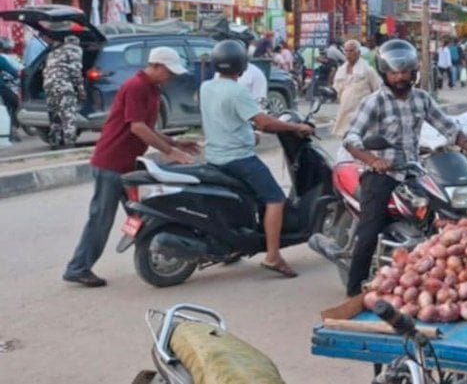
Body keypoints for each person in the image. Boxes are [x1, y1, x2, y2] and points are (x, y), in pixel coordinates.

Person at [342, 39, 467, 296]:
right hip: (381, 175)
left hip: (413, 171)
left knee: (440, 214)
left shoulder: (421, 99)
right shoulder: (374, 102)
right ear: (384, 73)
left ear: (414, 72)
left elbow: (446, 125)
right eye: (394, 72)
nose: (400, 77)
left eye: (405, 71)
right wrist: (374, 161)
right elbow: (351, 139)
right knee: (369, 231)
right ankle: (354, 290)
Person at [62, 48, 199, 287]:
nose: (171, 78)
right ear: (155, 66)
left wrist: (175, 142)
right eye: (168, 72)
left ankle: (157, 258)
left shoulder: (151, 89)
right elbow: (138, 127)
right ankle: (78, 267)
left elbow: (147, 127)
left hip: (127, 163)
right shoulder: (136, 86)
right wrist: (170, 152)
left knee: (144, 213)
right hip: (111, 162)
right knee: (102, 218)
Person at [201, 40, 315, 278]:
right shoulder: (237, 90)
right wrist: (295, 127)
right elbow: (265, 122)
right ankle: (273, 256)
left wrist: (250, 133)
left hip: (214, 156)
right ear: (241, 66)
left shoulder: (207, 87)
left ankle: (236, 246)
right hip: (238, 158)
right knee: (275, 199)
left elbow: (228, 118)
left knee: (246, 200)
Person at [332, 40, 384, 138]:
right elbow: (336, 89)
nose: (348, 54)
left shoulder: (368, 71)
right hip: (345, 113)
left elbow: (378, 90)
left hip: (363, 114)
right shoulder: (341, 70)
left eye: (351, 51)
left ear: (358, 53)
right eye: (346, 51)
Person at [46, 36, 85, 148]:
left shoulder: (54, 52)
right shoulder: (75, 50)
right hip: (64, 85)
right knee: (68, 115)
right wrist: (81, 90)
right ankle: (69, 142)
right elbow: (75, 72)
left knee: (54, 115)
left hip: (49, 85)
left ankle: (54, 141)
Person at [0, 38, 22, 142]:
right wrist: (20, 75)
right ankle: (12, 129)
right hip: (1, 87)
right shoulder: (1, 59)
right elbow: (14, 72)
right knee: (14, 101)